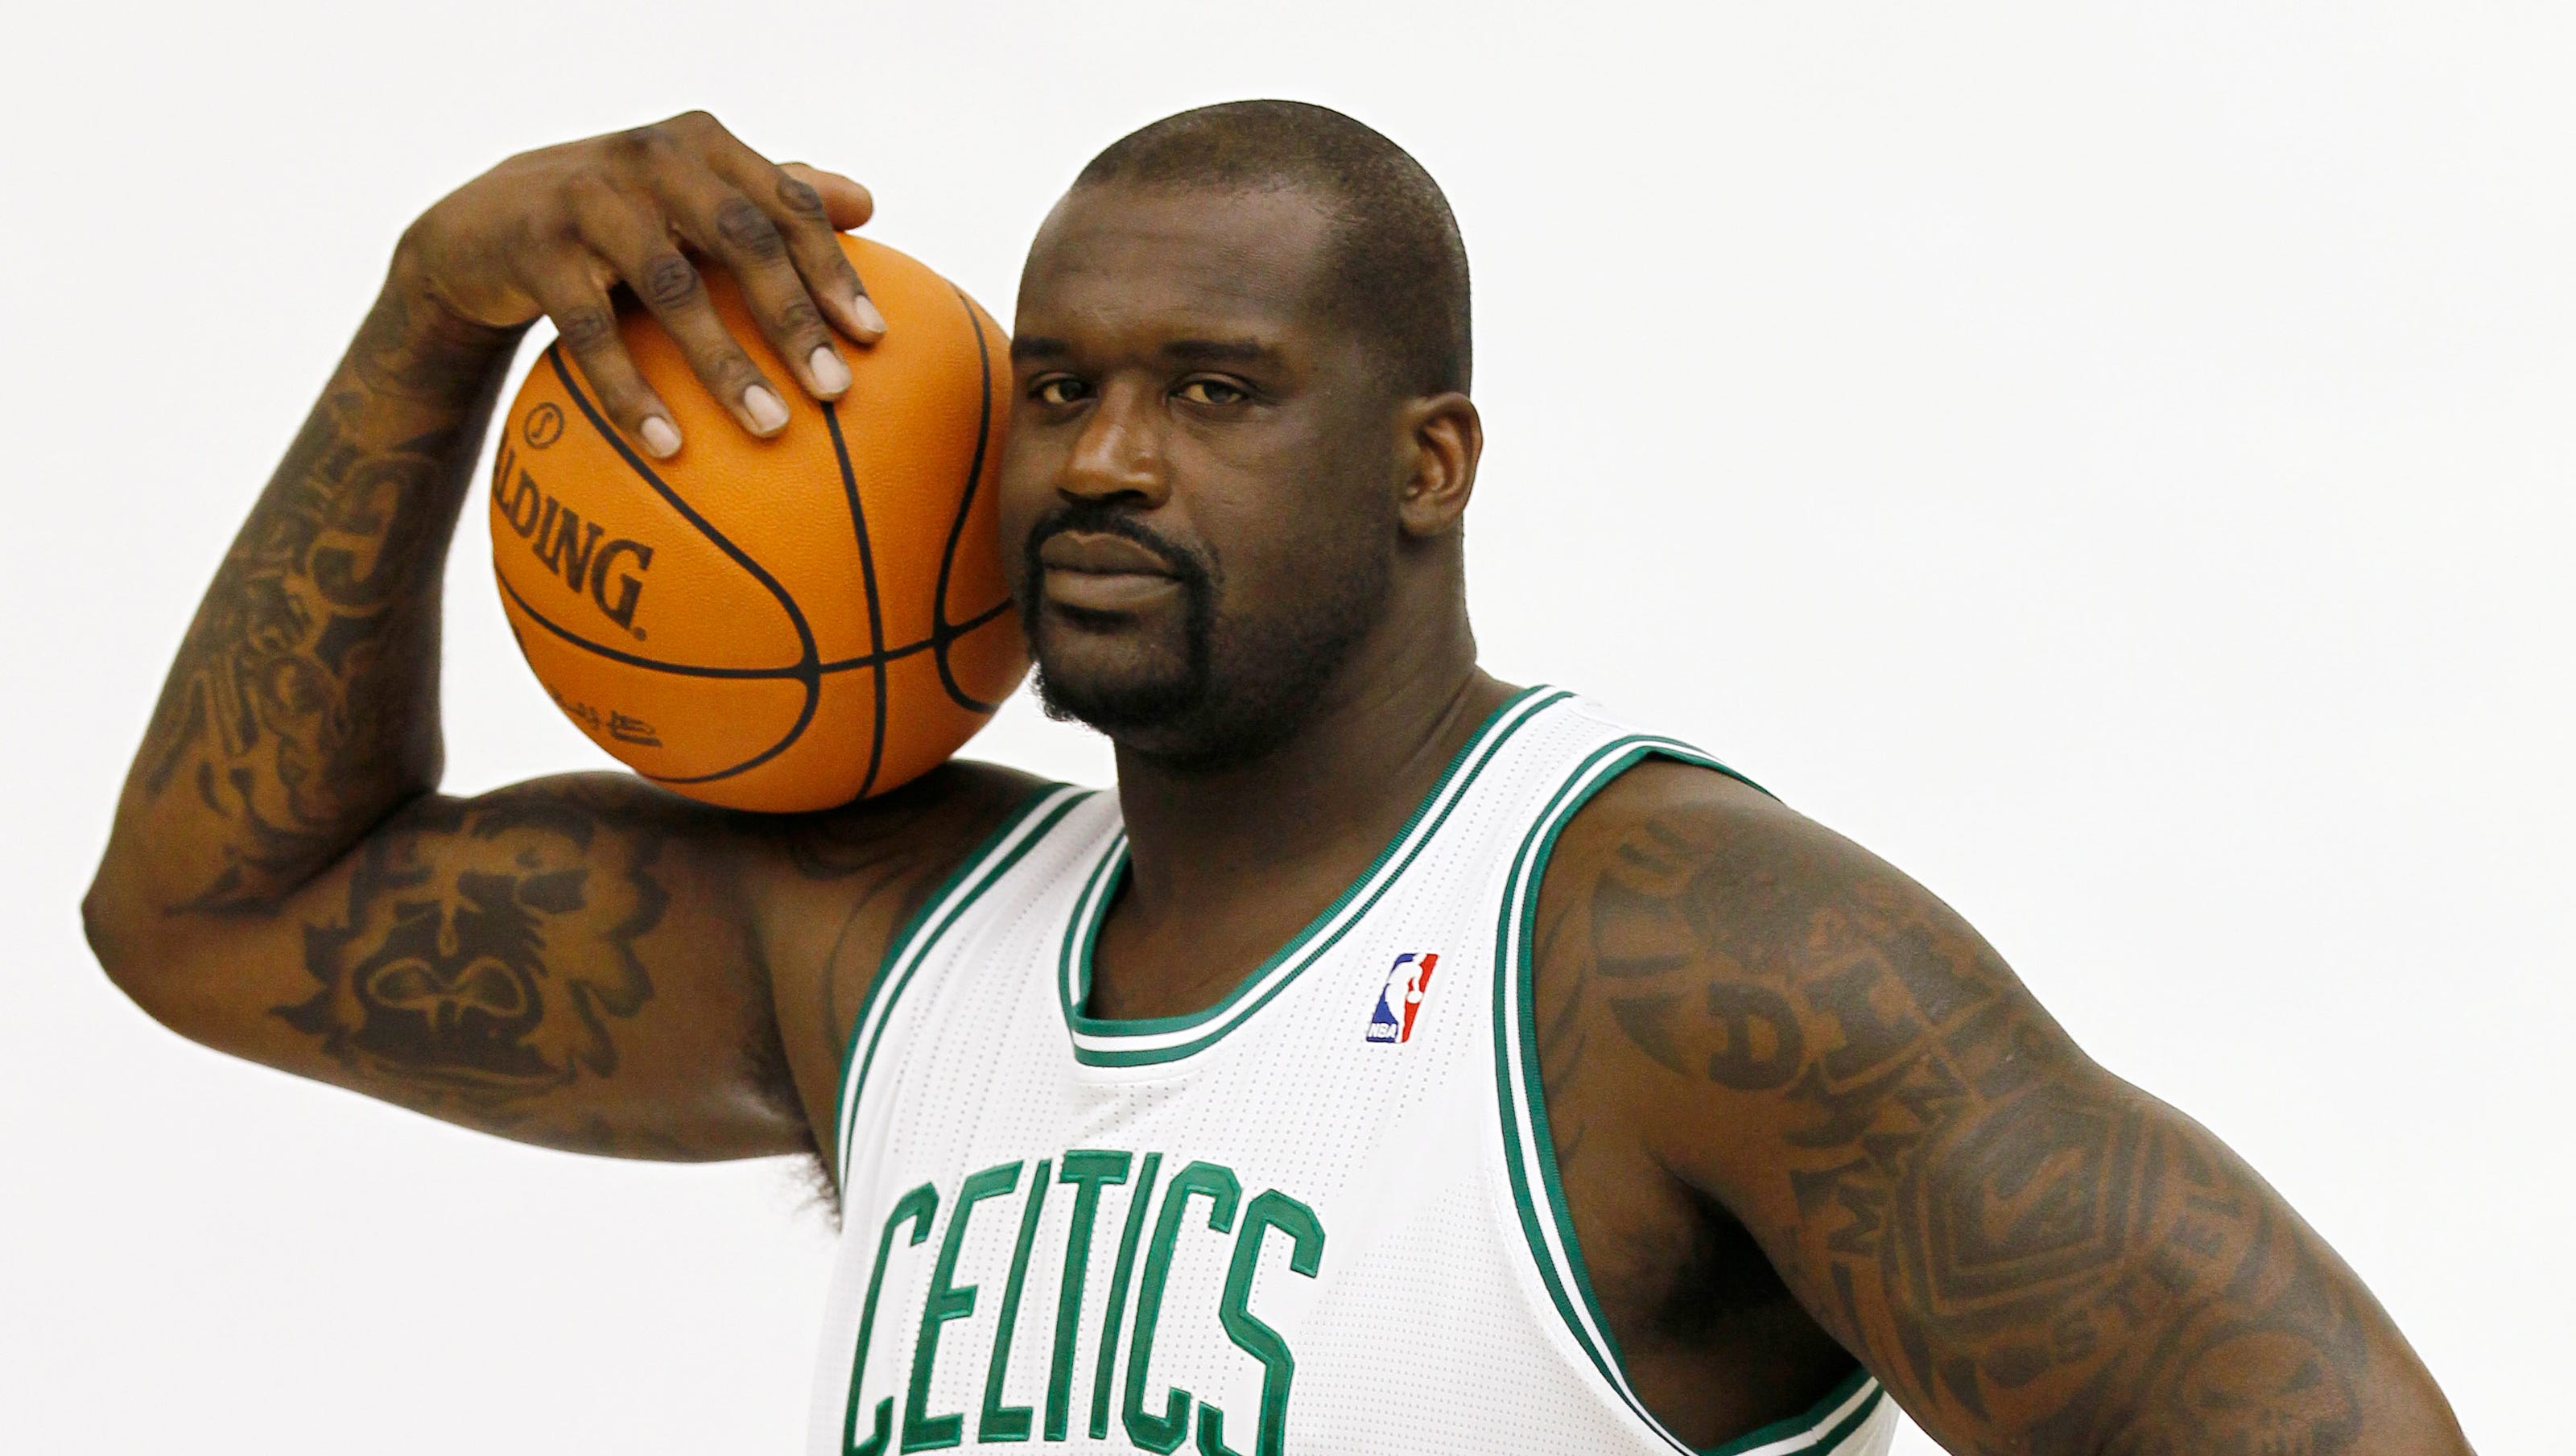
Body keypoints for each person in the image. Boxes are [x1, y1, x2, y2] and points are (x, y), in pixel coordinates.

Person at [83, 101, 2472, 1456]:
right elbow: (209, 914)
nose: (1105, 459)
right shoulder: (883, 944)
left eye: (1216, 391)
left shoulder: (1673, 953)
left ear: (1430, 462)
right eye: (1057, 387)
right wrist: (431, 318)